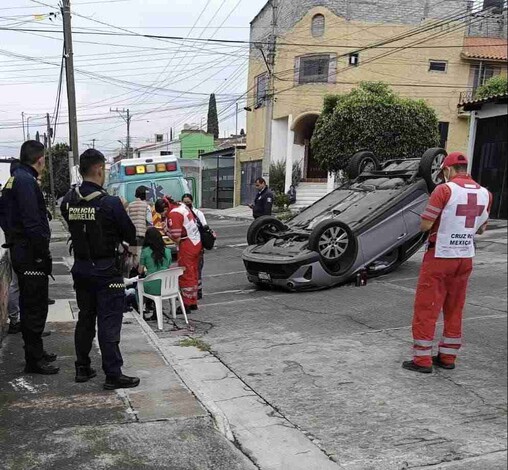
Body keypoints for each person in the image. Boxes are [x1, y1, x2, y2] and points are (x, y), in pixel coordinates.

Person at [403, 152, 492, 374]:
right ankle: (448, 357)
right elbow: (481, 229)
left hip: (440, 256)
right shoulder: (485, 194)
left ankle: (422, 360)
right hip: (465, 257)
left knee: (427, 307)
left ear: (447, 170)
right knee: (455, 308)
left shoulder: (444, 190)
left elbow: (425, 225)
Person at [61, 149, 140, 390]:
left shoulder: (69, 199)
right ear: (98, 169)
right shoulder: (110, 203)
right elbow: (130, 234)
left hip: (82, 267)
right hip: (106, 270)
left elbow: (68, 217)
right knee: (108, 320)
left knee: (85, 317)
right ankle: (113, 374)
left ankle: (82, 367)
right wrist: (122, 210)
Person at [1, 141, 57, 374]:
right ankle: (34, 360)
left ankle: (37, 351)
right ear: (40, 159)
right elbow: (33, 222)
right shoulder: (25, 182)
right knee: (34, 306)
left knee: (31, 303)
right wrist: (42, 252)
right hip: (30, 253)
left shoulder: (13, 180)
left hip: (20, 249)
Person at [155, 196, 201, 312]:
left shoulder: (174, 214)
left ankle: (186, 305)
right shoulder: (181, 206)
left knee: (185, 274)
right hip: (196, 241)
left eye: (163, 212)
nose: (163, 215)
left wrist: (166, 231)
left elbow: (176, 237)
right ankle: (193, 301)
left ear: (165, 208)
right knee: (194, 272)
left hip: (187, 244)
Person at [138, 227, 172, 319]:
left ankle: (141, 310)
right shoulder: (168, 251)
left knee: (139, 288)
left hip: (152, 286)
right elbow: (168, 267)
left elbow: (140, 271)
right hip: (167, 285)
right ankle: (157, 311)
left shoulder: (145, 252)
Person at [182, 193, 206, 300]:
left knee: (197, 270)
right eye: (185, 202)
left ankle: (198, 291)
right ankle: (191, 293)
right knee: (188, 271)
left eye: (188, 202)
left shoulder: (198, 213)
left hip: (197, 246)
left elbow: (204, 228)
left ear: (192, 201)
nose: (187, 204)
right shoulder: (182, 214)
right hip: (186, 247)